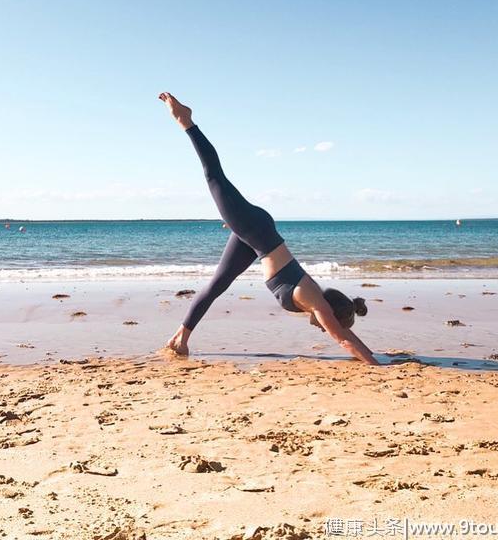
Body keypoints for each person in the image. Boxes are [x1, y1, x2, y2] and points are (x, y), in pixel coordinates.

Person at [158, 92, 379, 366]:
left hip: (256, 235)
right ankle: (187, 121)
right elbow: (344, 339)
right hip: (257, 231)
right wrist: (374, 364)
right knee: (214, 176)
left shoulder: (316, 300)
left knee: (217, 285)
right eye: (326, 324)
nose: (321, 328)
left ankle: (180, 338)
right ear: (331, 314)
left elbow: (343, 332)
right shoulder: (316, 303)